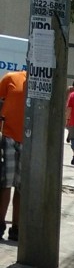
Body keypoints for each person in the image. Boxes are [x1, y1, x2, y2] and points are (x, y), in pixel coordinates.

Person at [0, 68, 27, 242]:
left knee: (21, 187)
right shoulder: (11, 78)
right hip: (8, 137)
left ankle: (16, 227)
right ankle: (0, 223)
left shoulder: (45, 83)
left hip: (29, 140)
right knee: (4, 183)